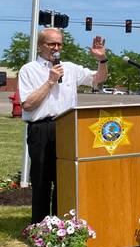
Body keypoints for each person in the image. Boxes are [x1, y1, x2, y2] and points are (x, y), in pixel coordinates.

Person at [19, 28, 108, 223]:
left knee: (65, 179)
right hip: (41, 129)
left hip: (67, 128)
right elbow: (27, 104)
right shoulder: (28, 70)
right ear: (40, 46)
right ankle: (40, 227)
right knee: (41, 180)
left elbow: (98, 79)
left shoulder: (71, 68)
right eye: (51, 44)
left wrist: (102, 60)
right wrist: (50, 81)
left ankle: (62, 224)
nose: (56, 48)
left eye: (59, 44)